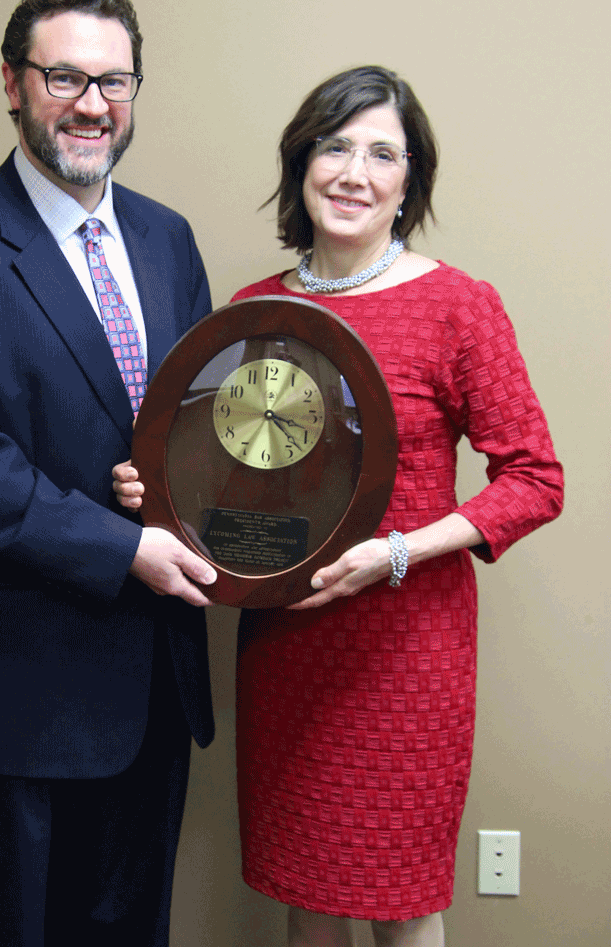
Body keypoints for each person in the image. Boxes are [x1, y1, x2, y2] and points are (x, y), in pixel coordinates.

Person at [114, 66, 564, 946]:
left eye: (382, 153)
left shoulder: (457, 308)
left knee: (401, 903)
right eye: (334, 146)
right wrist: (155, 490)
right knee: (304, 892)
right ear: (302, 165)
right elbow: (232, 470)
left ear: (408, 183)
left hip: (406, 658)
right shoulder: (253, 312)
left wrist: (395, 553)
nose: (354, 171)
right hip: (286, 647)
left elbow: (534, 480)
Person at [0, 0, 218, 947]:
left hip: (150, 686)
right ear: (12, 82)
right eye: (62, 77)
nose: (90, 105)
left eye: (112, 81)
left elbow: (186, 424)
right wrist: (122, 545)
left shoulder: (166, 239)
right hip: (8, 699)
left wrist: (174, 485)